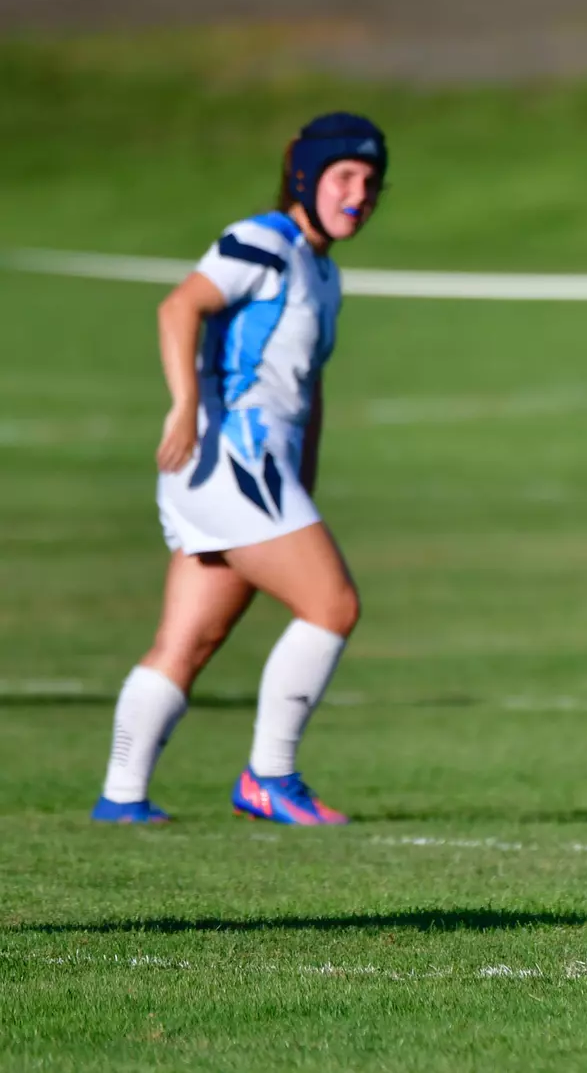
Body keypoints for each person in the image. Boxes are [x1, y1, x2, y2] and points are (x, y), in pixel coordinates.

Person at [90, 112, 389, 826]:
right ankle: (269, 777)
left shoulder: (323, 272)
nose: (358, 194)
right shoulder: (263, 239)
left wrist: (304, 476)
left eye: (371, 182)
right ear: (304, 178)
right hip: (230, 459)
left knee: (188, 641)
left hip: (255, 472)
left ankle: (121, 797)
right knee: (333, 606)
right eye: (343, 177)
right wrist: (185, 401)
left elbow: (307, 391)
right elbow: (180, 306)